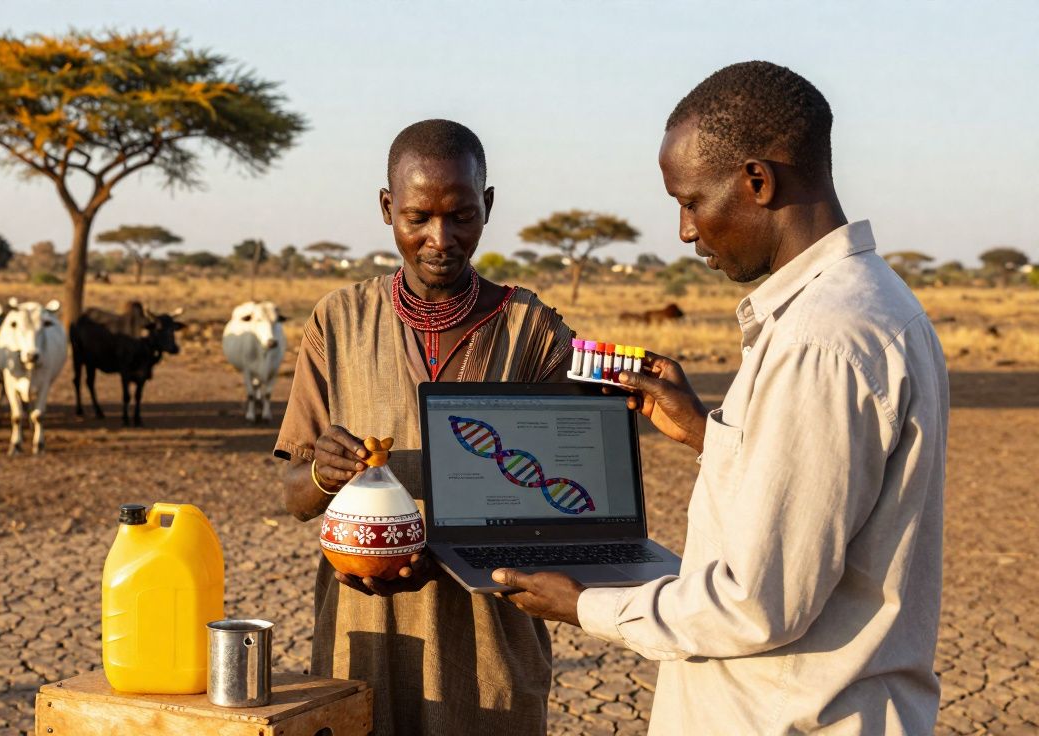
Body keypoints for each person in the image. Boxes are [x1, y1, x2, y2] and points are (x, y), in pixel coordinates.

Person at [494, 61, 949, 734]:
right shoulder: (868, 306)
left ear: (757, 181)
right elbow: (819, 496)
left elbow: (756, 603)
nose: (684, 230)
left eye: (691, 200)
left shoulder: (821, 340)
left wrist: (585, 604)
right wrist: (708, 434)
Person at [274, 119, 573, 735]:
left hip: (489, 647)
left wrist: (456, 547)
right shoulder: (338, 322)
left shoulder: (535, 332)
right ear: (388, 209)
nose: (441, 238)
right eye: (418, 218)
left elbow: (567, 503)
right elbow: (297, 497)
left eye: (462, 215)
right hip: (362, 639)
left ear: (487, 205)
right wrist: (325, 474)